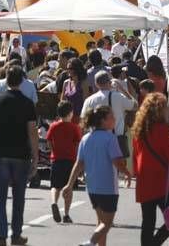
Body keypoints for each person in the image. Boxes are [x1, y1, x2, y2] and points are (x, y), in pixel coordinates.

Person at [0, 66, 38, 246]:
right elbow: (32, 132)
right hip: (21, 154)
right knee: (18, 196)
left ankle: (1, 236)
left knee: (0, 196)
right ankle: (16, 234)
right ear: (22, 81)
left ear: (6, 80)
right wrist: (35, 156)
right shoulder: (27, 104)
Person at [63, 105, 131, 246]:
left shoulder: (86, 138)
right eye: (111, 116)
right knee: (107, 223)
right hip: (108, 188)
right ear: (103, 121)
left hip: (92, 188)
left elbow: (79, 163)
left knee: (101, 222)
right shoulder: (110, 138)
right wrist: (127, 173)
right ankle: (91, 242)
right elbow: (117, 161)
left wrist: (69, 184)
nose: (115, 118)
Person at [131, 93, 169, 246]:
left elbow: (135, 155)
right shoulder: (162, 128)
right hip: (162, 180)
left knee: (148, 221)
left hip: (144, 180)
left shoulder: (139, 129)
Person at [81, 71, 138, 159]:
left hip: (96, 140)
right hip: (116, 139)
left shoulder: (89, 100)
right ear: (109, 82)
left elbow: (83, 122)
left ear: (96, 83)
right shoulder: (118, 96)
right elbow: (134, 105)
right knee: (118, 168)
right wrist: (122, 89)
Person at [46, 100, 82, 223]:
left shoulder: (53, 126)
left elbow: (49, 140)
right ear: (70, 113)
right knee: (68, 187)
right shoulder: (75, 128)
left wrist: (53, 151)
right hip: (70, 160)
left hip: (56, 159)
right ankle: (66, 214)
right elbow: (77, 144)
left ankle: (54, 202)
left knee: (55, 186)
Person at [60, 57, 90, 123]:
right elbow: (62, 102)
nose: (68, 70)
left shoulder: (83, 83)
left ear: (77, 69)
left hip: (80, 117)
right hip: (68, 118)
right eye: (67, 68)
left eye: (70, 68)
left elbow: (86, 101)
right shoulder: (66, 83)